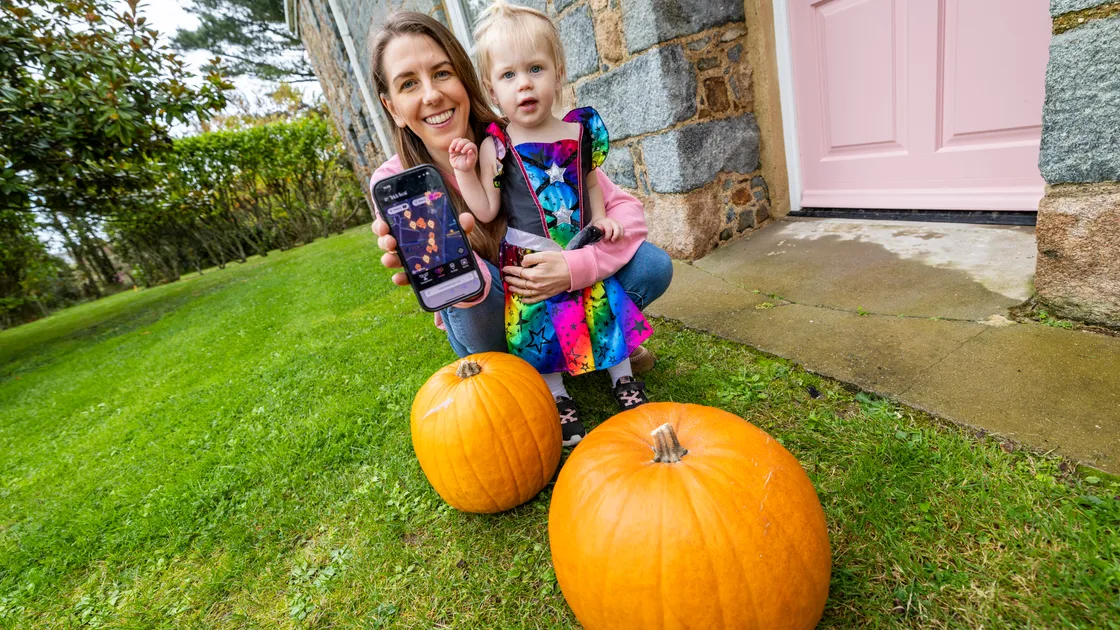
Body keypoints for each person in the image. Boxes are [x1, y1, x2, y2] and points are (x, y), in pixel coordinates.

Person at [367, 11, 673, 444]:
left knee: (651, 265)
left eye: (441, 73)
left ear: (468, 80)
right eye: (409, 83)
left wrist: (574, 266)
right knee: (471, 282)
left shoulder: (522, 134)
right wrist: (441, 264)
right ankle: (538, 371)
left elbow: (624, 210)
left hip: (564, 285)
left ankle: (588, 345)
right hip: (492, 314)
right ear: (392, 107)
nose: (432, 94)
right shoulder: (396, 184)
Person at [447, 1, 651, 447]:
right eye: (508, 75)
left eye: (535, 68)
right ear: (491, 89)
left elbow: (592, 183)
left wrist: (602, 221)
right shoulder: (496, 145)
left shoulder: (579, 131)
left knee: (602, 308)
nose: (524, 84)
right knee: (538, 325)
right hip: (529, 255)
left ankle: (623, 377)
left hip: (578, 246)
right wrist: (464, 172)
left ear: (558, 73)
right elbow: (485, 209)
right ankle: (557, 396)